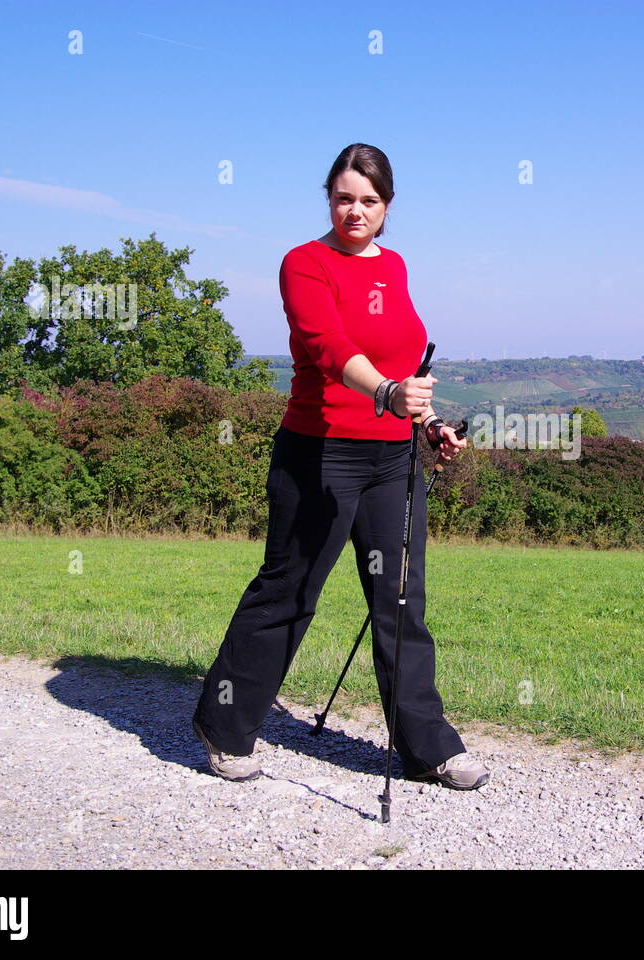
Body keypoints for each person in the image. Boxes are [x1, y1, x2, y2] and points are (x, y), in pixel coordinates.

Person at [191, 143, 490, 791]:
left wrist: (427, 425)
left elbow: (405, 362)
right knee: (290, 592)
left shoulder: (397, 266)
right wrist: (383, 393)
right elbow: (328, 347)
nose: (356, 212)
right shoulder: (304, 263)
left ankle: (426, 747)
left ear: (388, 207)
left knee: (401, 601)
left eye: (370, 201)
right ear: (329, 198)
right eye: (344, 198)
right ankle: (226, 724)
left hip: (393, 460)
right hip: (317, 456)